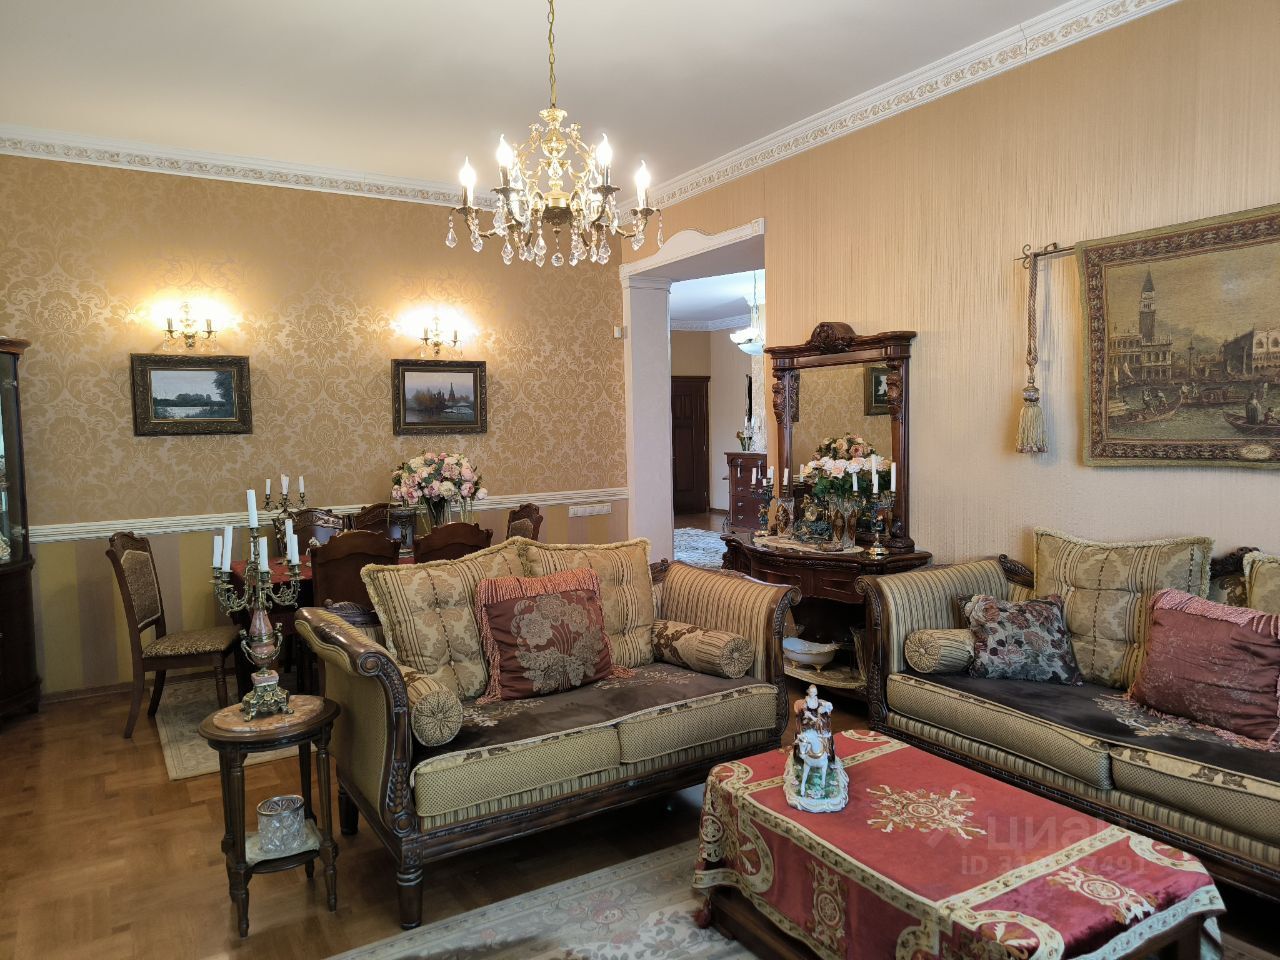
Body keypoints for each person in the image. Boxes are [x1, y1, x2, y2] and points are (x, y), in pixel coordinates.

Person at [793, 684, 835, 762]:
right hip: (808, 718)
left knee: (821, 723)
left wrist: (827, 706)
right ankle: (805, 749)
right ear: (808, 692)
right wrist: (814, 718)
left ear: (816, 693)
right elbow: (805, 712)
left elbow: (824, 706)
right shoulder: (806, 701)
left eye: (814, 692)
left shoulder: (817, 700)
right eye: (811, 692)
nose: (812, 693)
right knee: (812, 724)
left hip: (817, 716)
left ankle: (824, 745)